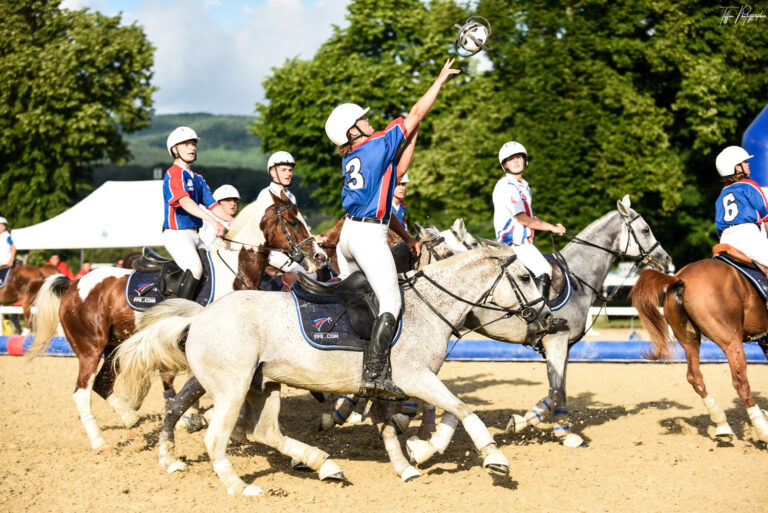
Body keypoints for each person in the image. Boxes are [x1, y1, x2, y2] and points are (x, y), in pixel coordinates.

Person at [324, 58, 460, 397]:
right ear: (352, 130)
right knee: (391, 303)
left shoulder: (353, 155)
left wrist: (408, 236)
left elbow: (392, 180)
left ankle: (342, 363)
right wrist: (440, 80)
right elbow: (415, 113)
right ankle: (375, 372)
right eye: (362, 119)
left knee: (357, 303)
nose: (368, 120)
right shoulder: (373, 145)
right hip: (368, 237)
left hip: (349, 236)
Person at [493, 140, 567, 328]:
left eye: (519, 157)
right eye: (511, 159)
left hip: (523, 242)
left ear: (525, 161)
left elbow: (530, 216)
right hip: (514, 244)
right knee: (545, 269)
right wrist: (552, 228)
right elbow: (524, 220)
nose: (516, 162)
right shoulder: (508, 187)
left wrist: (551, 225)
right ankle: (541, 319)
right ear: (505, 165)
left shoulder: (523, 186)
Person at [162, 126, 235, 299]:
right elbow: (185, 203)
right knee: (195, 268)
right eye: (186, 144)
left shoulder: (199, 178)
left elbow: (214, 206)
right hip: (177, 235)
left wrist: (233, 221)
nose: (192, 148)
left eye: (193, 144)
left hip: (196, 235)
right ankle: (180, 314)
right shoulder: (173, 174)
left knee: (216, 266)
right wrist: (212, 221)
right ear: (174, 150)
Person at [256, 151, 325, 280]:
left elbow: (296, 226)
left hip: (292, 250)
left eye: (290, 170)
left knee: (323, 265)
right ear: (272, 172)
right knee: (310, 274)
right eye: (283, 170)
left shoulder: (291, 196)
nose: (288, 174)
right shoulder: (265, 195)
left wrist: (311, 238)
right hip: (274, 253)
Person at [715, 145, 768, 267]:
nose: (748, 164)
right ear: (736, 168)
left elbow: (719, 226)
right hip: (747, 237)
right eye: (744, 162)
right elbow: (766, 218)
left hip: (725, 241)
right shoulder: (750, 185)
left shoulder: (722, 194)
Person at [198, 184, 241, 249]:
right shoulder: (208, 220)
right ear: (217, 203)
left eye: (235, 201)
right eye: (228, 200)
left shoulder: (236, 222)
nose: (233, 203)